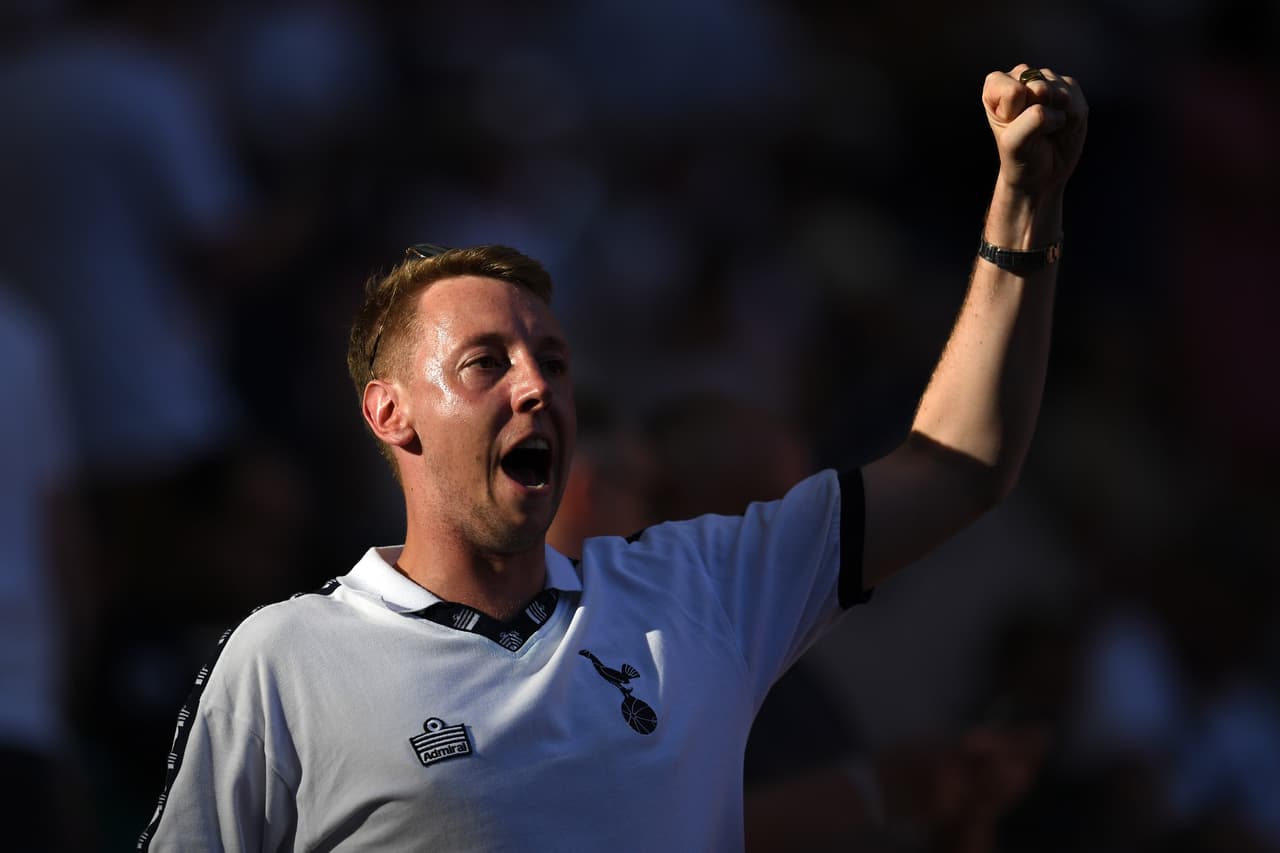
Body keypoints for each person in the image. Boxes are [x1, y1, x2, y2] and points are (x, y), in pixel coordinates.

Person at [138, 64, 1088, 850]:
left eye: (552, 360)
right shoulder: (287, 658)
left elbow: (962, 465)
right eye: (486, 363)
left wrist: (1023, 208)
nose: (536, 386)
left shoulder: (700, 593)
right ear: (390, 413)